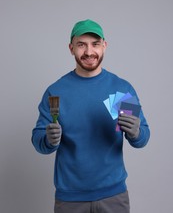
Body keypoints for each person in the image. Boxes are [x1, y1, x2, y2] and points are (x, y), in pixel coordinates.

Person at [32, 19, 150, 213]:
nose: (88, 52)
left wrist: (136, 132)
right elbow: (38, 141)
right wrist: (48, 140)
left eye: (95, 44)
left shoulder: (120, 89)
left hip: (114, 198)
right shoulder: (56, 92)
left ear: (104, 45)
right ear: (71, 48)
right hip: (70, 200)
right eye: (81, 45)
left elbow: (142, 139)